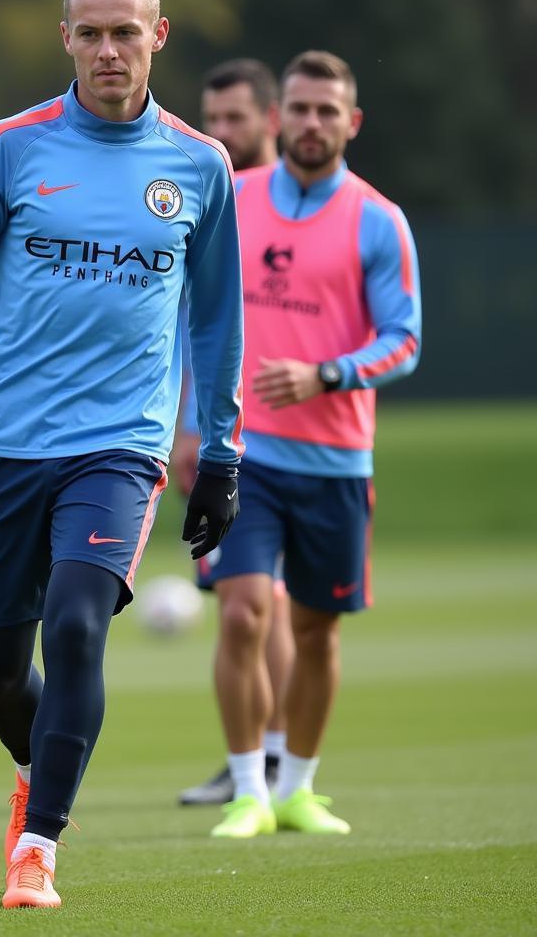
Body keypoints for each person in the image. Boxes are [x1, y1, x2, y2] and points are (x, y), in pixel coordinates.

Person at [0, 0, 243, 909]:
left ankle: (36, 845)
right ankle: (38, 771)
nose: (107, 51)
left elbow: (216, 322)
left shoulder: (200, 169)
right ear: (65, 38)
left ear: (159, 36)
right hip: (6, 442)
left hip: (118, 448)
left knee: (77, 625)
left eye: (124, 32)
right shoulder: (12, 145)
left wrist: (221, 450)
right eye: (88, 34)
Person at [196, 51, 421, 839]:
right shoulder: (233, 196)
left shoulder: (377, 218)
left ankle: (297, 788)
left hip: (334, 463)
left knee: (317, 631)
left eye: (328, 111)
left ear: (351, 123)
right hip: (243, 456)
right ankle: (249, 789)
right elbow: (190, 309)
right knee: (243, 616)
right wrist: (191, 421)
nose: (312, 123)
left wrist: (328, 373)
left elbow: (404, 339)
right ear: (276, 118)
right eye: (300, 108)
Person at [172, 59, 295, 806]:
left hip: (290, 441)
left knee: (266, 603)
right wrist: (189, 426)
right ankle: (257, 757)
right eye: (210, 120)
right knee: (247, 602)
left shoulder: (301, 203)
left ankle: (272, 757)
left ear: (270, 120)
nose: (219, 134)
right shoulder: (204, 195)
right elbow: (190, 325)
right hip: (217, 434)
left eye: (235, 120)